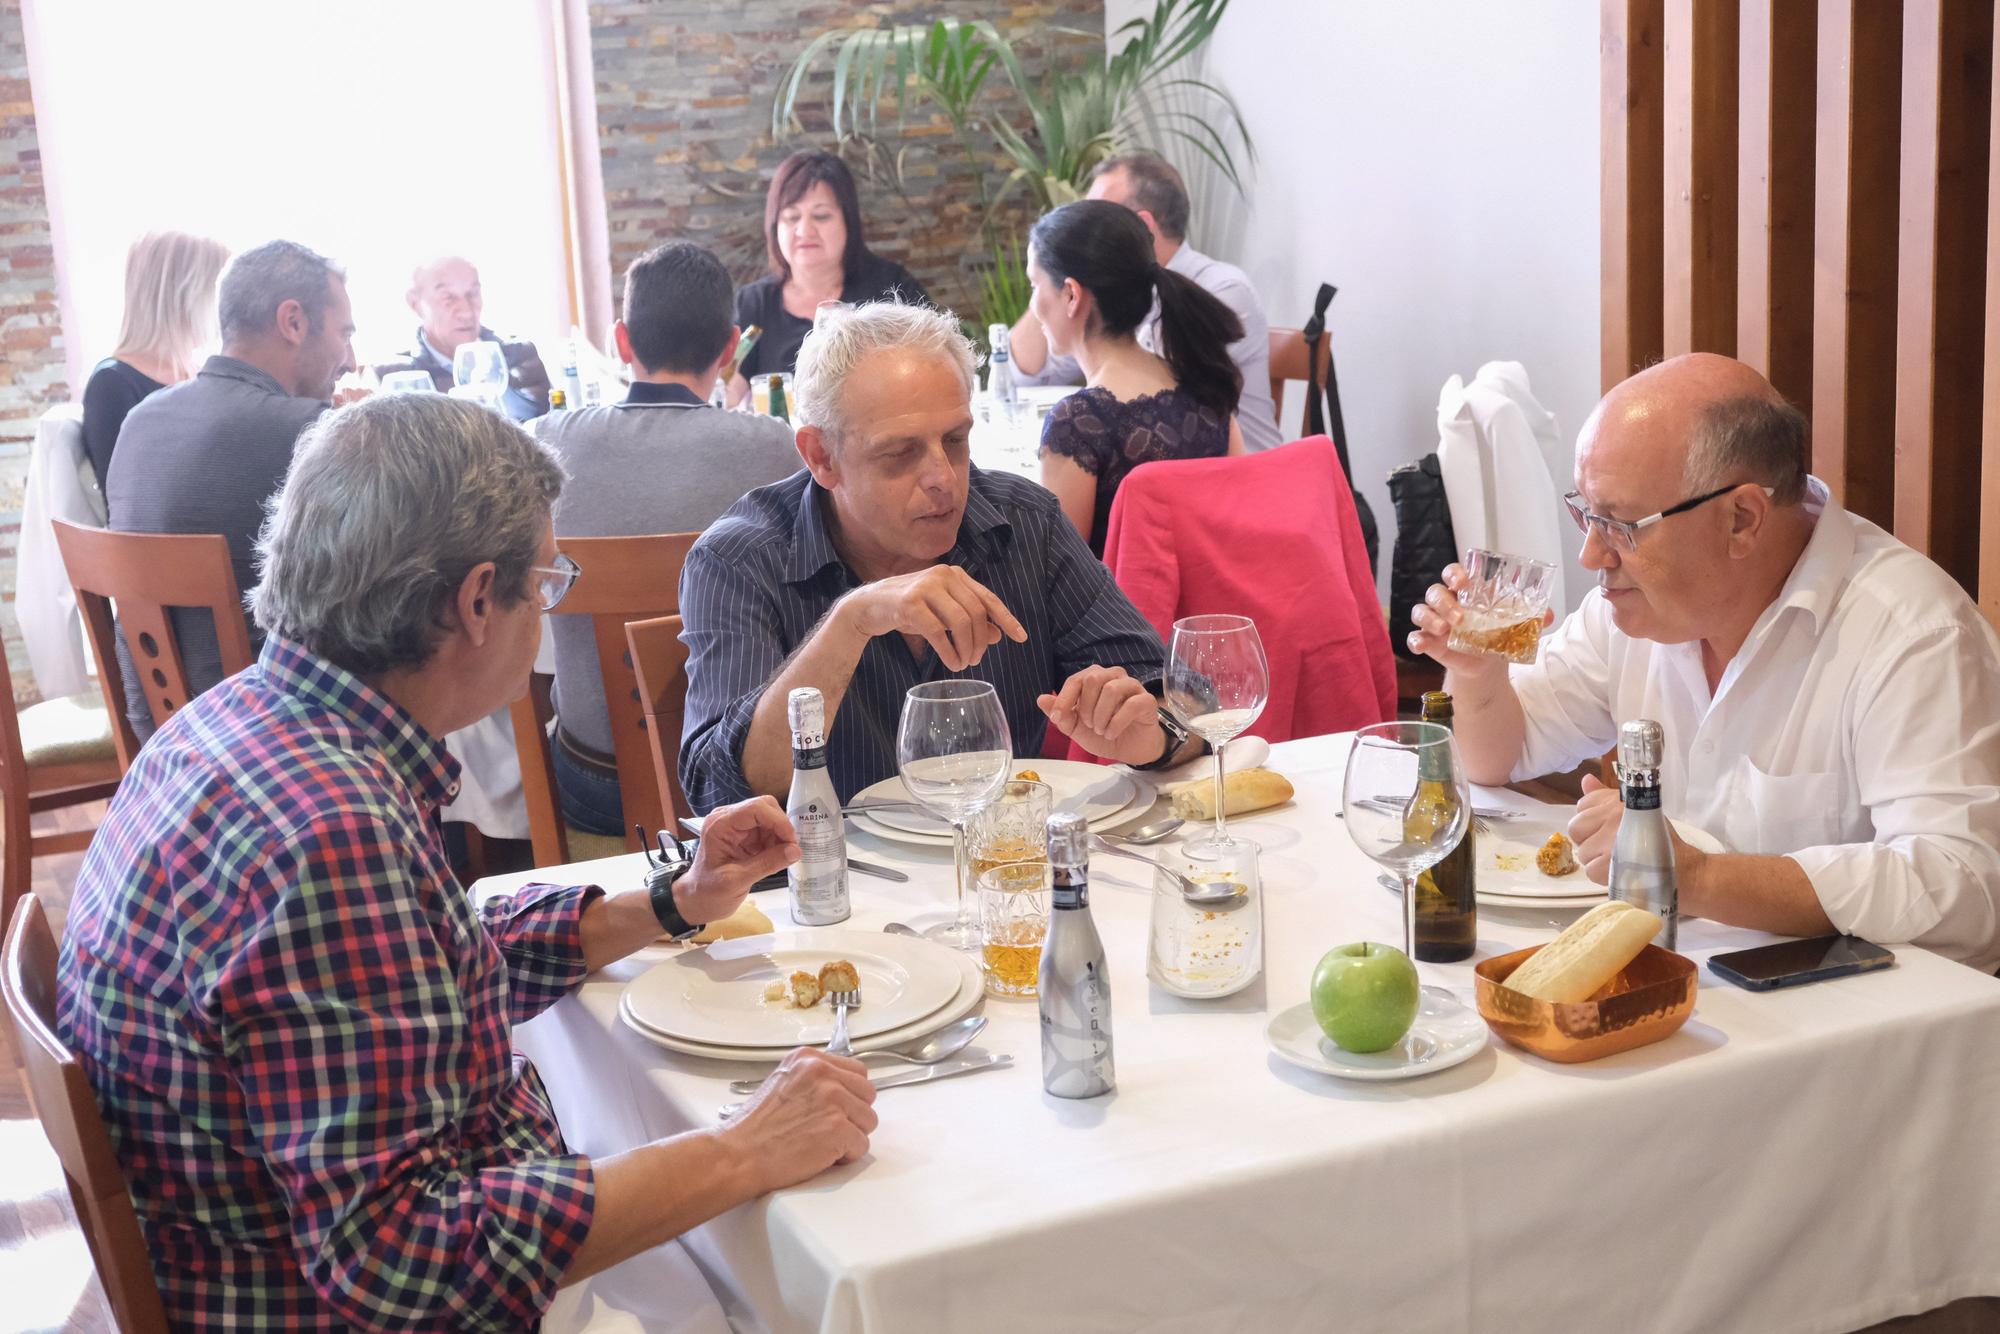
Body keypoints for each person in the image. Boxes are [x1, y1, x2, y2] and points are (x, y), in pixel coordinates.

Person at [58, 393, 875, 1329]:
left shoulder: (232, 725)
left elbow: (414, 968)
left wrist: (671, 900)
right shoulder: (330, 833)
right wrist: (743, 1152)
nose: (545, 611)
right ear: (478, 599)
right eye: (546, 582)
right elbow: (413, 1263)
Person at [1410, 353, 2000, 972]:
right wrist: (1479, 677)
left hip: (1869, 1025)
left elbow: (1967, 890)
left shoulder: (1912, 633)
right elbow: (1499, 755)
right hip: (1695, 979)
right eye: (1585, 513)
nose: (1590, 555)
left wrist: (1697, 876)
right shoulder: (1636, 607)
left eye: (1619, 524)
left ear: (1741, 518)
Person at [679, 301, 1203, 812]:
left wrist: (1152, 736)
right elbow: (719, 792)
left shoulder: (1021, 523)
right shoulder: (740, 558)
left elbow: (1190, 708)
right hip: (836, 884)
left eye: (955, 440)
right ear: (822, 456)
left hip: (1005, 869)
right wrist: (850, 622)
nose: (943, 479)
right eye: (900, 453)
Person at [535, 241, 801, 835]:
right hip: (743, 787)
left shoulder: (540, 443)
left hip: (597, 786)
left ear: (622, 342)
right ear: (731, 348)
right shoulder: (776, 448)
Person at [108, 238, 357, 741]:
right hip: (274, 741)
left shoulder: (138, 422)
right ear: (293, 321)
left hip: (161, 736)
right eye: (344, 333)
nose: (350, 359)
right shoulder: (307, 432)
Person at [1010, 152, 1281, 453]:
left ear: (1143, 228)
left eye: (1095, 215)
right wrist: (1051, 273)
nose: (1082, 227)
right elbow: (1026, 376)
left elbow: (1161, 410)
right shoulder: (1102, 303)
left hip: (1243, 480)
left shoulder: (1221, 289)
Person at [1028, 199, 1244, 554]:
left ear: (1071, 294)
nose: (1034, 305)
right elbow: (1240, 527)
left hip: (1124, 612)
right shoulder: (1206, 386)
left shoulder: (1078, 423)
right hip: (1216, 609)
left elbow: (1057, 579)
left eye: (1034, 286)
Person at [729, 150, 932, 398]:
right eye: (792, 217)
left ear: (849, 221)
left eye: (821, 216)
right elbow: (727, 391)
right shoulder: (755, 303)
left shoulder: (892, 289)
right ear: (774, 227)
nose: (804, 230)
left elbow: (933, 368)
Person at [80, 230, 230, 496]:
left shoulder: (204, 373)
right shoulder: (112, 385)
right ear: (184, 295)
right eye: (219, 291)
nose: (227, 305)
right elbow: (122, 498)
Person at [372, 254, 552, 420]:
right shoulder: (395, 377)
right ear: (415, 304)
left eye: (473, 293)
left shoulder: (519, 354)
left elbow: (552, 426)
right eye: (448, 297)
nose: (466, 311)